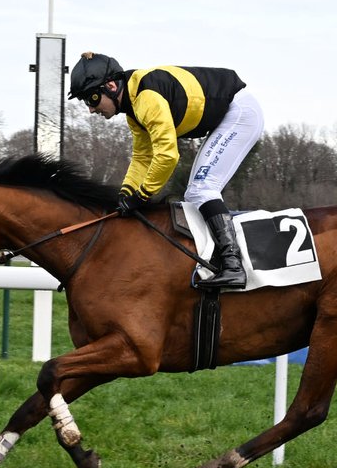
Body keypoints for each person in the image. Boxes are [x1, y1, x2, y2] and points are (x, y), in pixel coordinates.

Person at [67, 51, 264, 290]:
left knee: (202, 189)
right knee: (196, 192)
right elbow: (142, 156)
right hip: (228, 114)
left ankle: (233, 266)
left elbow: (167, 155)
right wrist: (125, 193)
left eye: (92, 99)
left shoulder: (146, 98)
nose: (90, 109)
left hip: (239, 113)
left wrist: (142, 195)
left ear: (110, 86)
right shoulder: (133, 109)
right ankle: (220, 259)